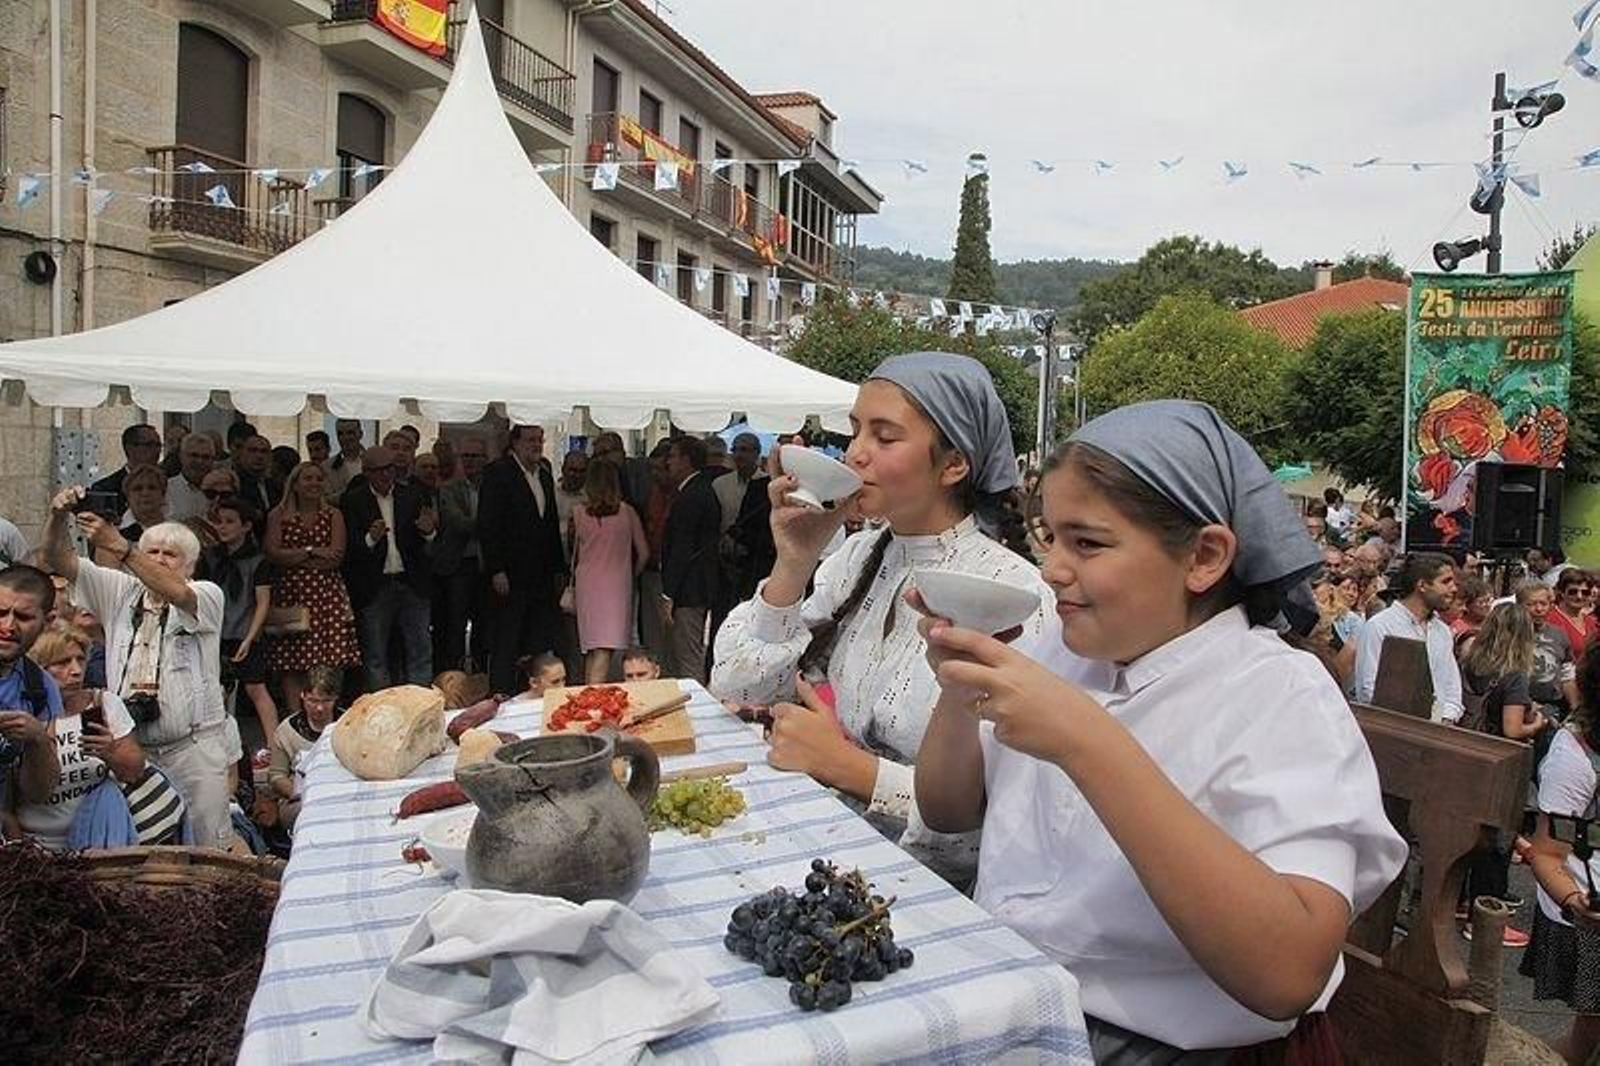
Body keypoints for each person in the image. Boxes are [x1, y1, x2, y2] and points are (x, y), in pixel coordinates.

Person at [913, 400, 1406, 1058]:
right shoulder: (1060, 651)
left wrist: (1086, 743)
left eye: (1087, 543)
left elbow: (1288, 974)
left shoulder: (1280, 696)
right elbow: (946, 811)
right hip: (1018, 1009)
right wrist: (958, 686)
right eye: (1049, 537)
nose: (1052, 567)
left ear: (1204, 556)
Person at [712, 352, 1052, 885]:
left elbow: (1002, 820)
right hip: (828, 863)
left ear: (953, 465)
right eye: (855, 431)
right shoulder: (858, 556)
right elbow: (737, 685)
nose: (855, 453)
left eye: (884, 437)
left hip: (926, 899)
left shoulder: (1013, 595)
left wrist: (851, 769)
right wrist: (794, 562)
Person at [41, 497, 238, 850]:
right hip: (133, 748)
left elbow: (176, 591)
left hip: (193, 748)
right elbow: (58, 560)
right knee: (141, 847)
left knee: (207, 847)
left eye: (169, 554)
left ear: (190, 565)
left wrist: (122, 547)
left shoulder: (206, 593)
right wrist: (57, 517)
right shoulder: (120, 590)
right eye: (153, 552)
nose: (158, 560)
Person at [18, 623, 185, 849]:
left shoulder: (103, 704)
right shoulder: (23, 714)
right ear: (39, 668)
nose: (76, 670)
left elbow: (134, 772)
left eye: (80, 660)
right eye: (63, 662)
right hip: (38, 843)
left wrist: (110, 752)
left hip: (98, 836)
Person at [1521, 645, 1600, 1065]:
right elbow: (1547, 855)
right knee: (1589, 1032)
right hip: (1587, 914)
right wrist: (1575, 903)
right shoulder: (1575, 758)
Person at [1458, 602, 1545, 945]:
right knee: (1496, 843)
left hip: (1469, 756)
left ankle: (1461, 903)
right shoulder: (1515, 676)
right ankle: (1486, 919)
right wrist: (1536, 723)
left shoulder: (1470, 662)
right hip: (1500, 765)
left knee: (1466, 836)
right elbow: (1511, 729)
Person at [265, 462, 360, 716]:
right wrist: (312, 551)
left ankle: (323, 715)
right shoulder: (278, 515)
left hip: (327, 595)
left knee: (327, 659)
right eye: (308, 478)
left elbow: (335, 556)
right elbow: (274, 554)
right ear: (295, 484)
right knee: (292, 660)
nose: (314, 483)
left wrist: (295, 557)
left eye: (319, 478)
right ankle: (296, 718)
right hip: (291, 594)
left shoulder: (333, 515)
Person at [477, 426, 564, 694]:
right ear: (515, 442)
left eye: (540, 440)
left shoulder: (545, 475)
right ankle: (502, 696)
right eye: (530, 440)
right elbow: (488, 524)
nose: (536, 445)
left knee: (537, 639)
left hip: (540, 575)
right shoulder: (498, 473)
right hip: (510, 573)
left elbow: (550, 525)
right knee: (507, 639)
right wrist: (496, 569)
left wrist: (558, 568)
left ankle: (534, 694)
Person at [342, 447, 437, 690]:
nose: (386, 474)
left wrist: (429, 532)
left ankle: (420, 703)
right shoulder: (353, 500)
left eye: (389, 468)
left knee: (420, 648)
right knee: (375, 654)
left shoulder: (412, 496)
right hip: (375, 585)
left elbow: (427, 538)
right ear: (366, 472)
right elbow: (349, 547)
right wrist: (370, 539)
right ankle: (381, 706)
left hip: (411, 582)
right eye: (379, 470)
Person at [1352, 553, 1464, 723]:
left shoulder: (1443, 631)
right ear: (1422, 585)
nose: (1454, 589)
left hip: (1437, 731)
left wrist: (1446, 719)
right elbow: (1368, 689)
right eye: (1446, 582)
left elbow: (1451, 689)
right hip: (1392, 728)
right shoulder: (1380, 626)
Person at [205, 497, 279, 747]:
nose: (223, 527)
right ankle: (221, 744)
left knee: (255, 687)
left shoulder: (258, 561)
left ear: (246, 526)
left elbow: (262, 602)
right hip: (216, 631)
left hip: (245, 631)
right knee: (217, 690)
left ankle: (275, 746)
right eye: (219, 522)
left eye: (230, 522)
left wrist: (250, 638)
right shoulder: (210, 557)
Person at [571, 459, 649, 684]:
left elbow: (573, 550)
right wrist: (631, 574)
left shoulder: (577, 512)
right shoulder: (628, 512)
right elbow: (644, 553)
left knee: (592, 648)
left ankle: (588, 692)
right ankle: (594, 696)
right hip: (617, 586)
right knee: (606, 647)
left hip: (587, 584)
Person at [659, 436, 724, 684]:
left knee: (688, 655)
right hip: (695, 584)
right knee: (686, 652)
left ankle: (697, 700)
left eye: (673, 456)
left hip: (690, 587)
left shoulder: (693, 495)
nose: (668, 462)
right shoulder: (697, 490)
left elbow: (682, 547)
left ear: (686, 460)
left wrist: (668, 593)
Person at [0, 567, 64, 808]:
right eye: (0, 613)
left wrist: (37, 739)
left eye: (23, 617)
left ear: (47, 622)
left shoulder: (41, 689)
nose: (8, 626)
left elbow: (39, 793)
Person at [434, 434, 489, 674]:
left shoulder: (493, 487)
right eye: (465, 456)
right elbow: (457, 523)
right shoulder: (448, 489)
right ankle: (453, 678)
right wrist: (490, 525)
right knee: (456, 625)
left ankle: (480, 677)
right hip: (459, 565)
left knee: (484, 625)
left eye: (475, 456)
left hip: (487, 564)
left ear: (485, 459)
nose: (470, 461)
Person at [264, 664, 341, 834]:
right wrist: (299, 792)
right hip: (299, 801)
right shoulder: (286, 730)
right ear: (303, 696)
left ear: (335, 698)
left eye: (326, 701)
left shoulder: (346, 725)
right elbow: (276, 776)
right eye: (313, 701)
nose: (319, 708)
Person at [637, 440, 678, 667]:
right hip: (652, 568)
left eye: (660, 469)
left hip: (669, 570)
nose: (655, 475)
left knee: (670, 631)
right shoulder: (653, 493)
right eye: (651, 469)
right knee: (652, 630)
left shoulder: (677, 496)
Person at [1519, 580, 1581, 721]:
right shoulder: (1509, 635)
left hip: (1553, 706)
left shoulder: (1559, 634)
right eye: (1531, 604)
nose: (1538, 609)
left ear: (1550, 605)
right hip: (1518, 706)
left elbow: (1567, 675)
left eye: (1543, 604)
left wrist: (1575, 709)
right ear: (1519, 606)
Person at [92, 423, 162, 516]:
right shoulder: (105, 488)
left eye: (158, 445)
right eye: (149, 445)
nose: (157, 450)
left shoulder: (166, 482)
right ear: (130, 448)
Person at [115, 463, 168, 548]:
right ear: (128, 497)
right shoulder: (115, 534)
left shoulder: (177, 532)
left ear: (163, 495)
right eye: (138, 488)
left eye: (152, 487)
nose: (145, 493)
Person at [166, 431, 216, 521]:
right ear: (181, 456)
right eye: (194, 455)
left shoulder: (220, 491)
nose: (199, 461)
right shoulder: (167, 489)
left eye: (206, 457)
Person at [1549, 568, 1598, 658]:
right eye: (1573, 592)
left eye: (1585, 592)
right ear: (1562, 592)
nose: (1579, 596)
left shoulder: (1592, 622)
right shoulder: (1550, 619)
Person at [233, 434, 280, 516]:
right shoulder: (234, 483)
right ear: (241, 454)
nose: (259, 456)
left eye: (264, 451)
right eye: (252, 451)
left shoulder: (275, 485)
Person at [326, 418, 366, 501]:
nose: (345, 438)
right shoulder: (327, 466)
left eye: (350, 433)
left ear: (360, 434)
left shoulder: (373, 461)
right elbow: (326, 498)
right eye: (340, 434)